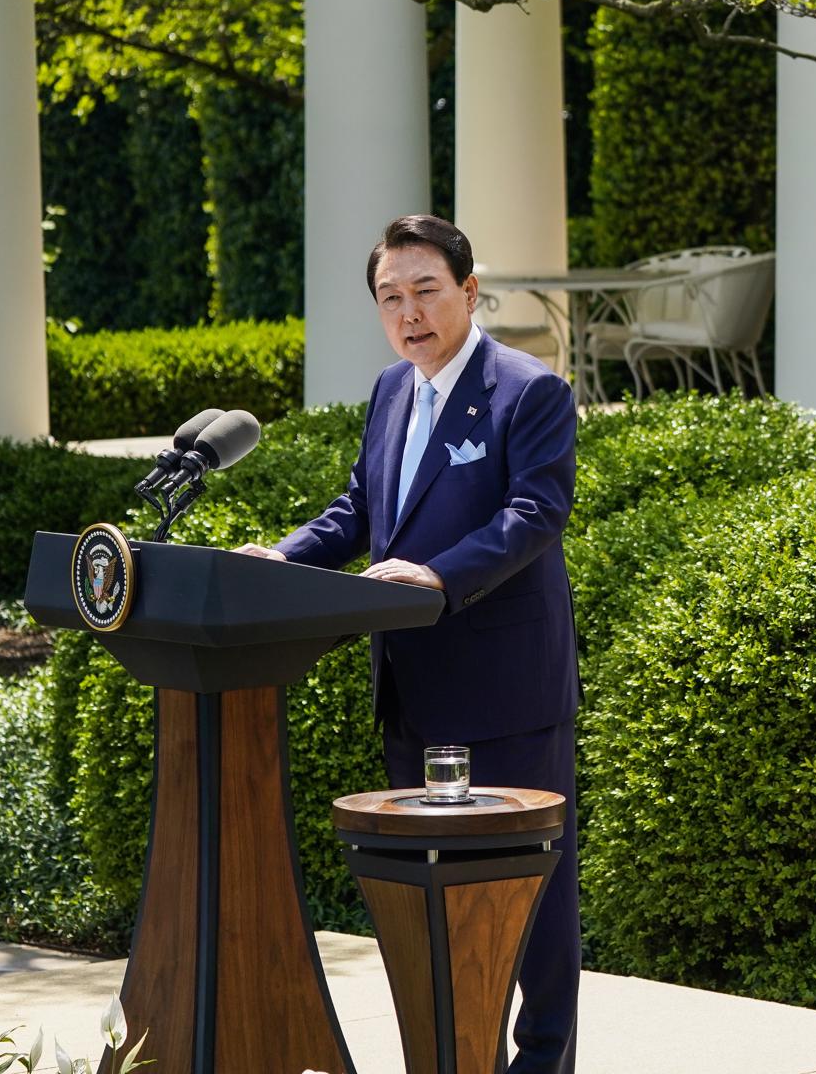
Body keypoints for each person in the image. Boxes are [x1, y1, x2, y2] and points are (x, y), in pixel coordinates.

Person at [235, 215, 581, 1074]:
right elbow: (360, 511)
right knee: (435, 904)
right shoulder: (392, 390)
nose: (409, 312)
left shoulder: (528, 391)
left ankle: (542, 1064)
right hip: (412, 692)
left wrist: (436, 576)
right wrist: (280, 558)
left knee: (532, 909)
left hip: (508, 695)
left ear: (469, 291)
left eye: (426, 290)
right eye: (391, 297)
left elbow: (533, 515)